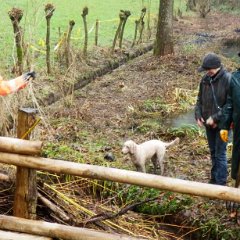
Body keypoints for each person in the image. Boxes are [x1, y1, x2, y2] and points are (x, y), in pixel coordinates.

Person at [195, 52, 231, 186]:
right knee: (213, 152)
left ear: (217, 67)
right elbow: (199, 100)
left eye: (208, 69)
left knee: (220, 153)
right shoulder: (205, 79)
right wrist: (198, 115)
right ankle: (214, 178)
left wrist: (215, 118)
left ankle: (221, 184)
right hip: (208, 125)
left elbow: (230, 106)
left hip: (223, 126)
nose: (206, 72)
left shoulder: (228, 79)